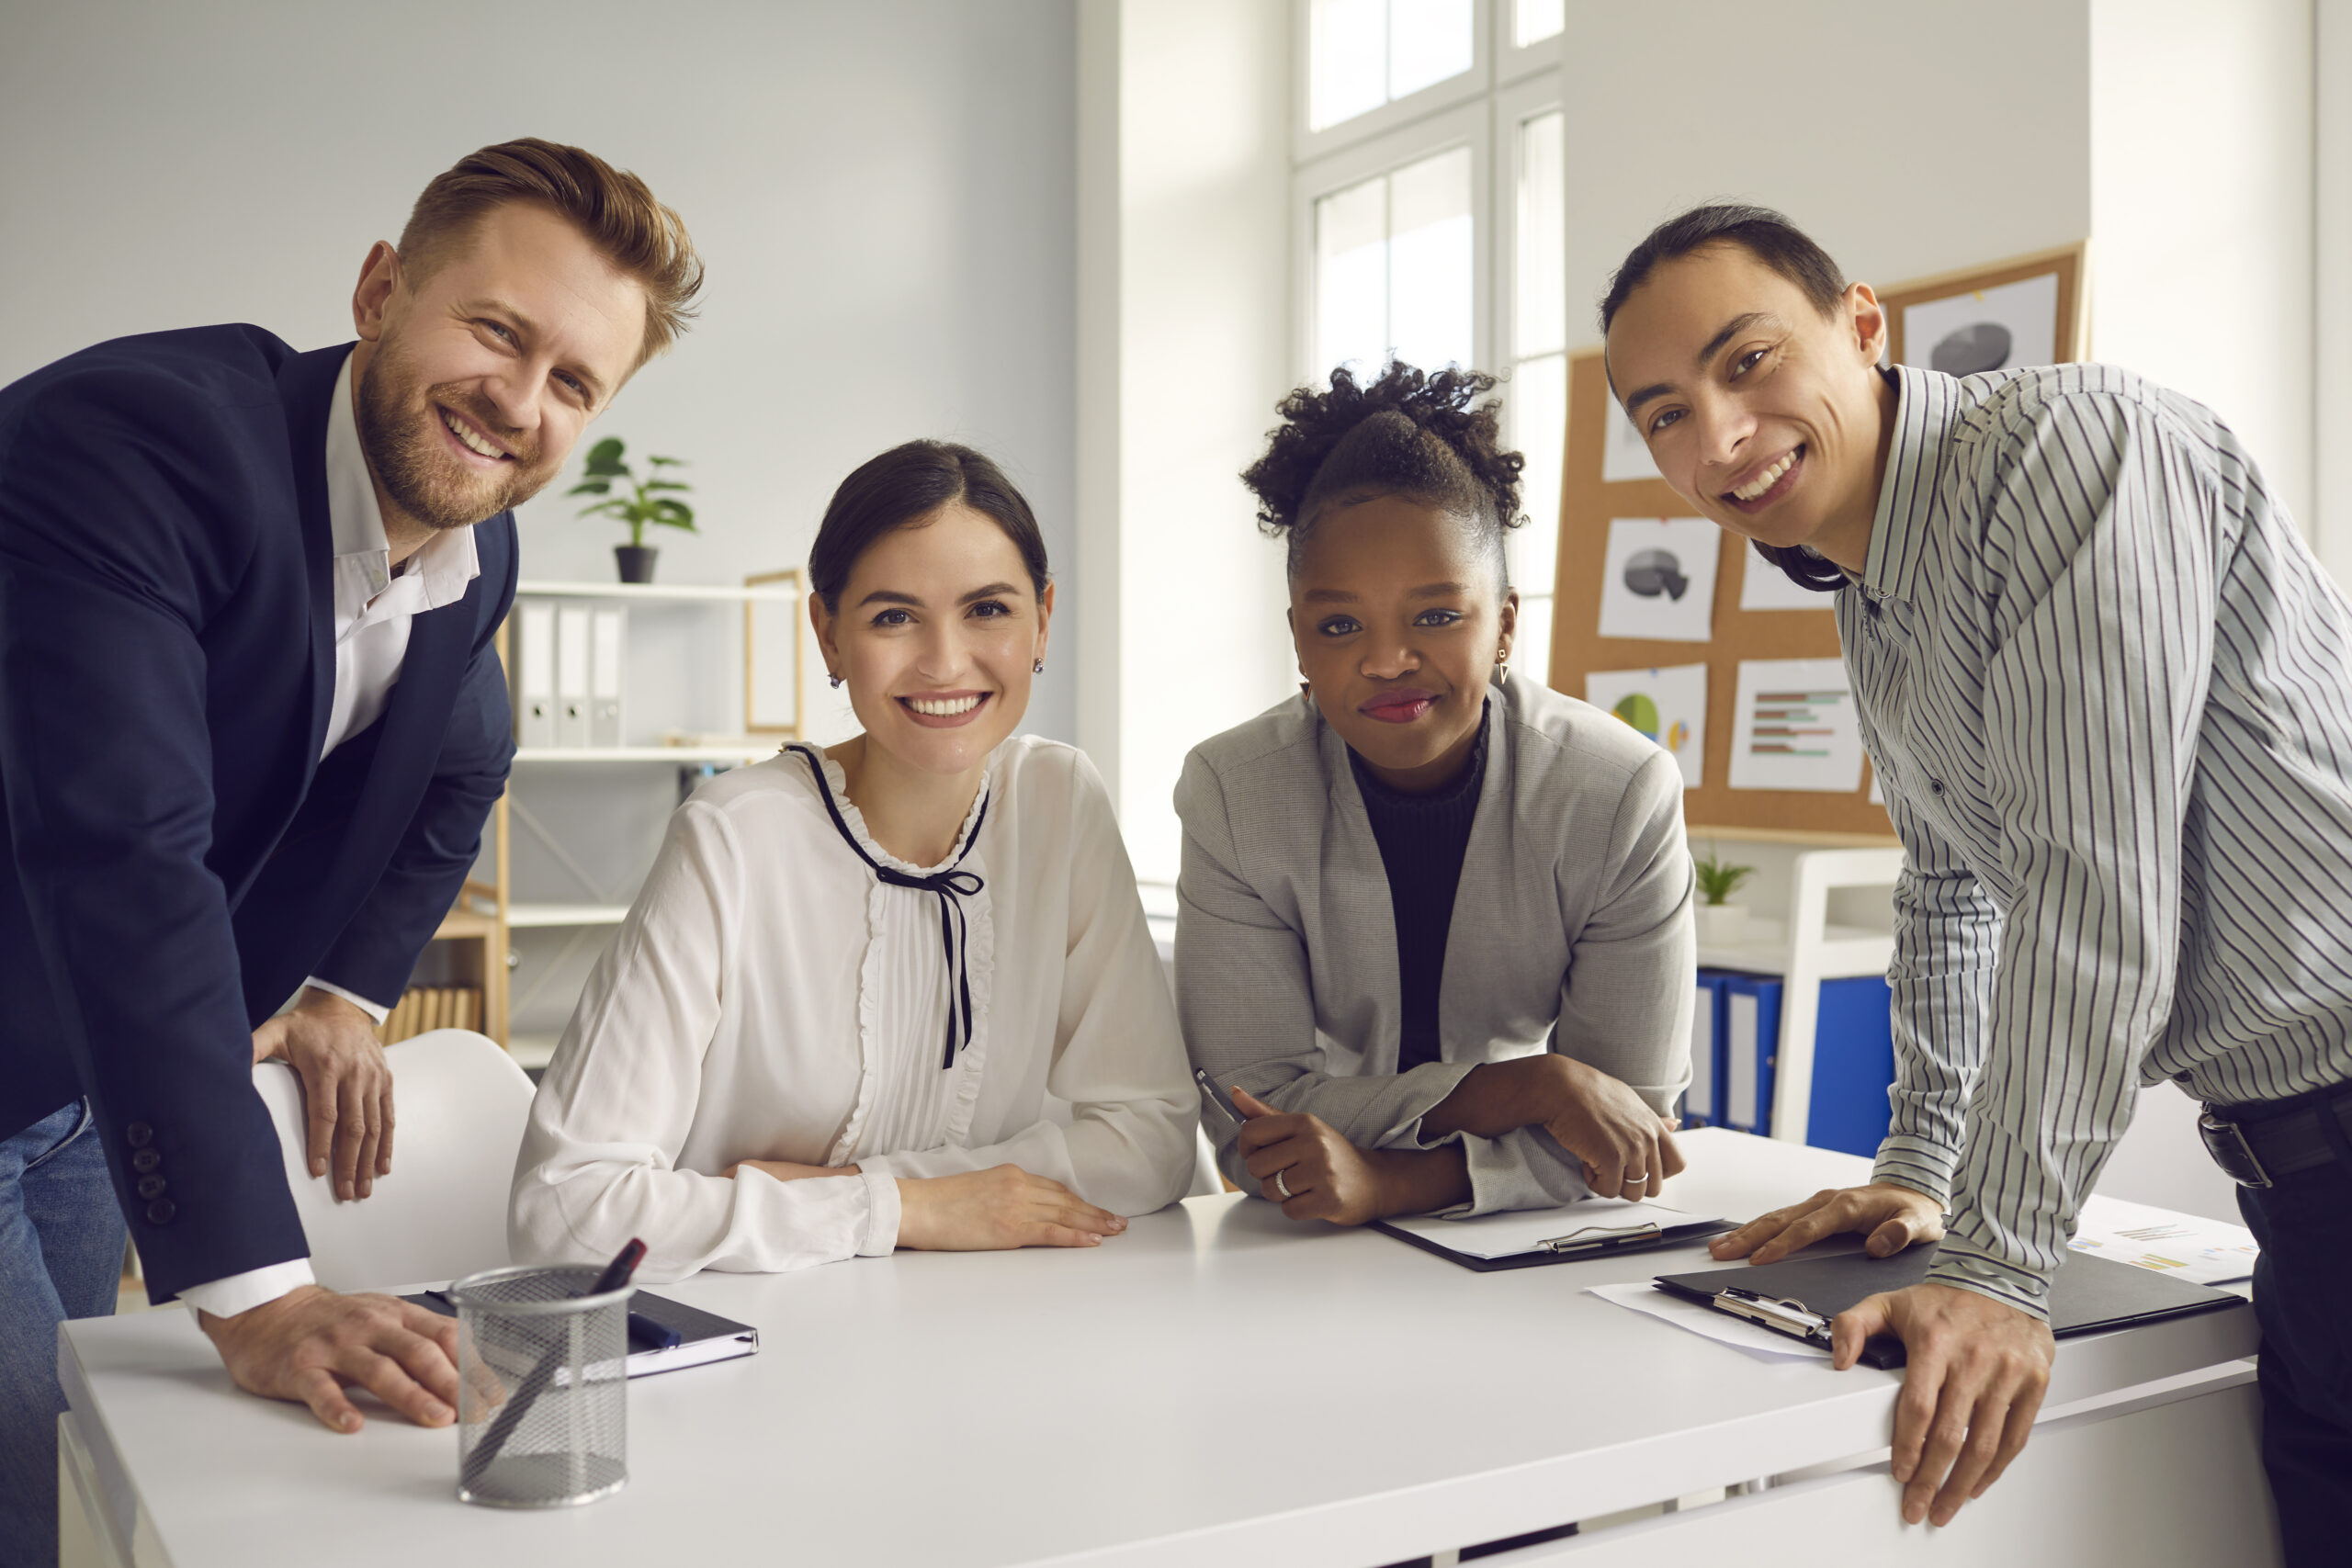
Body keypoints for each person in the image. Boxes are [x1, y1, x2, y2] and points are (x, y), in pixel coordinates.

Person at [1599, 201, 2352, 1552]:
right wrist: (1921, 1166)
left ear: (1862, 323)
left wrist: (2000, 1265)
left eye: (1748, 360)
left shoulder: (2072, 449)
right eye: (1662, 412)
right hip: (2298, 1180)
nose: (1713, 437)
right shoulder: (1866, 582)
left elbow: (2092, 884)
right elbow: (1953, 883)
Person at [0, 138, 698, 1562]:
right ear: (383, 288)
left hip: (82, 1072)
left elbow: (469, 753)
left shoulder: (474, 546)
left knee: (84, 1474)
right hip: (58, 983)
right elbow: (125, 847)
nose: (519, 403)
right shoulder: (129, 442)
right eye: (496, 331)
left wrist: (341, 994)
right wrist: (261, 1292)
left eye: (575, 382)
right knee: (37, 1494)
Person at [510, 441, 1197, 1279]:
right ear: (828, 634)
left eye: (988, 609)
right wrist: (910, 1209)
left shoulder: (1059, 799)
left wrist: (866, 1191)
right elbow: (562, 1211)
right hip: (754, 1343)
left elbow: (1153, 1138)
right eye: (893, 616)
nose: (946, 661)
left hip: (993, 1320)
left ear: (1043, 621)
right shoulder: (732, 836)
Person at [1175, 363, 1693, 1226]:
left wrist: (1399, 1183)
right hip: (1297, 1270)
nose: (1385, 661)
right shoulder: (1235, 793)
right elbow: (1249, 1112)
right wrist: (1526, 1087)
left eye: (1437, 615)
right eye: (1340, 625)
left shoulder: (1618, 792)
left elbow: (1633, 1124)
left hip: (1534, 1264)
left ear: (1506, 625)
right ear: (1299, 640)